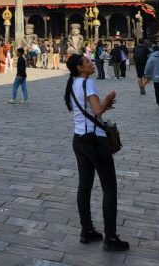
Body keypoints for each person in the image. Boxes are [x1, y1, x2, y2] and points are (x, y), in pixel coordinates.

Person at [64, 53, 129, 252]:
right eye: (87, 62)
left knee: (84, 186)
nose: (91, 63)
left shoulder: (73, 84)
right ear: (79, 68)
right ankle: (110, 237)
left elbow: (91, 111)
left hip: (79, 139)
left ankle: (87, 230)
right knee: (109, 188)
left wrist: (103, 106)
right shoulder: (88, 83)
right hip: (95, 141)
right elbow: (97, 110)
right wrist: (108, 99)